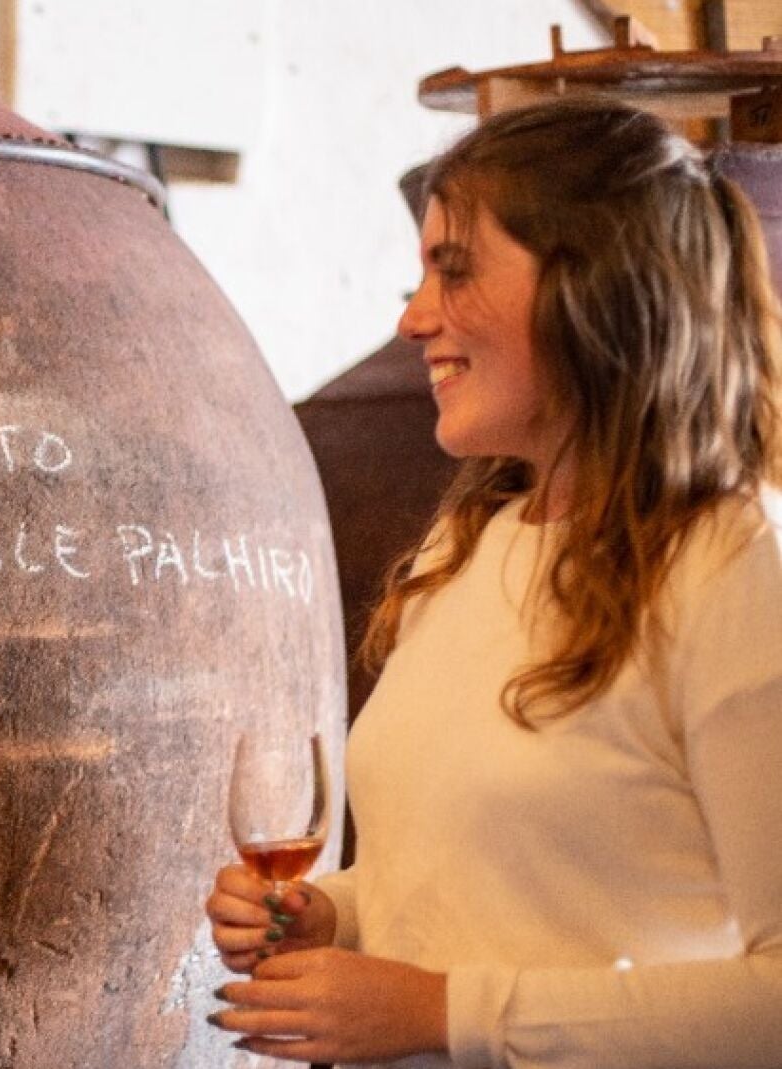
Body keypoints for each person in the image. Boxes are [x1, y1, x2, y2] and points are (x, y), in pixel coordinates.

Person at [204, 98, 782, 1066]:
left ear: (594, 285)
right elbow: (486, 882)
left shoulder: (737, 565)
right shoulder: (464, 548)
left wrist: (445, 1013)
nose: (413, 317)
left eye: (455, 270)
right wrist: (334, 913)